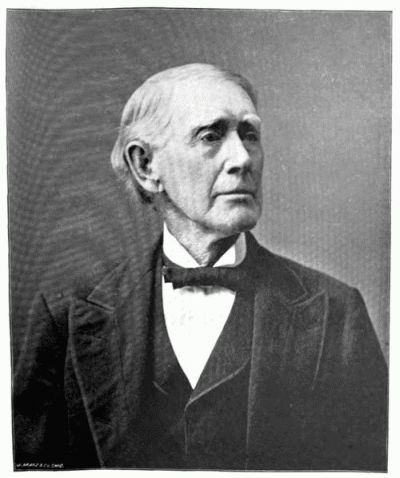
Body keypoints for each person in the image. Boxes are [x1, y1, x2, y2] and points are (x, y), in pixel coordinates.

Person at [13, 63, 388, 471]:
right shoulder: (67, 317)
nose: (242, 158)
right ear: (146, 166)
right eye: (211, 136)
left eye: (250, 135)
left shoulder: (336, 313)